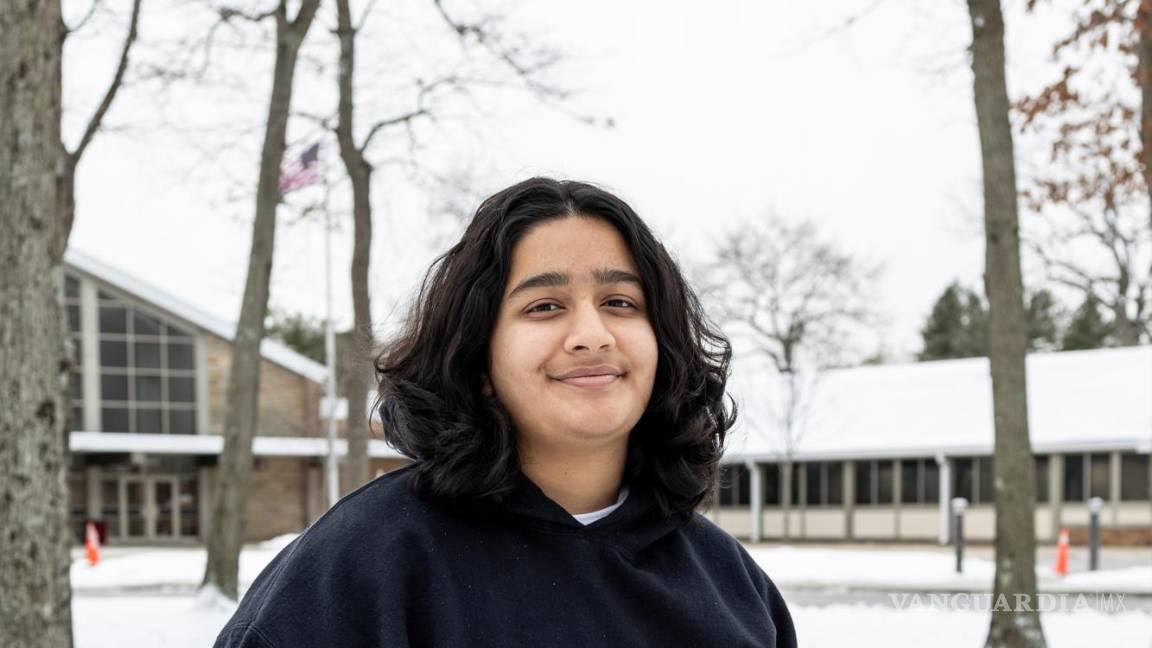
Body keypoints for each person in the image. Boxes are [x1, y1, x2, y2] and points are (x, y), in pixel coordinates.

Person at [213, 177, 797, 647]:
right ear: (478, 358)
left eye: (620, 302)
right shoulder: (364, 568)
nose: (591, 336)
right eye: (544, 306)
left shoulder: (729, 583)